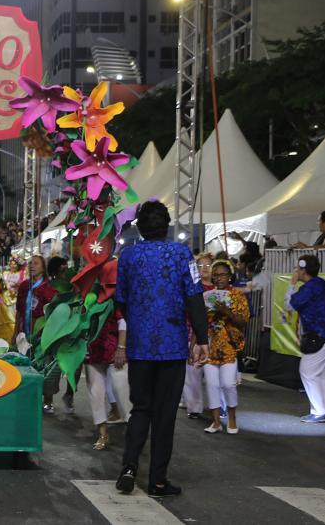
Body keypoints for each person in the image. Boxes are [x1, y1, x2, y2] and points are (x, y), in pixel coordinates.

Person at [114, 201, 209, 497]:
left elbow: (120, 299)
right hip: (172, 347)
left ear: (139, 227)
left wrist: (139, 323)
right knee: (165, 415)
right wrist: (201, 338)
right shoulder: (182, 254)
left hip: (141, 347)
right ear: (166, 225)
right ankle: (157, 481)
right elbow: (194, 296)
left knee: (140, 409)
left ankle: (129, 467)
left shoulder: (127, 255)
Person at [285, 254, 325, 423]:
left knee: (307, 371)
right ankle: (320, 411)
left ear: (303, 270)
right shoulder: (323, 284)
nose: (295, 271)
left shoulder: (309, 288)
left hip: (322, 334)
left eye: (297, 268)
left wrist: (292, 284)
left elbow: (290, 304)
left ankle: (318, 411)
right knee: (322, 373)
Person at [201, 260, 249, 434]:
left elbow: (243, 321)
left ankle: (232, 418)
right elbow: (201, 324)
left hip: (229, 347)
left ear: (230, 277)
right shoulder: (207, 295)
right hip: (210, 346)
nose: (218, 278)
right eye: (216, 275)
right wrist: (195, 346)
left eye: (222, 274)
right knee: (212, 385)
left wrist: (225, 311)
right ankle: (215, 422)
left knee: (228, 384)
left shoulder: (237, 296)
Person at [13, 256, 58, 413]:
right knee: (26, 364)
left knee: (45, 366)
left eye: (36, 263)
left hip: (43, 334)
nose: (32, 266)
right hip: (25, 332)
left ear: (43, 267)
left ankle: (48, 400)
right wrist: (15, 331)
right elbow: (19, 310)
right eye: (30, 263)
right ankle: (28, 397)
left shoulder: (49, 287)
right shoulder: (24, 286)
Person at [84, 305, 131, 450]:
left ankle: (134, 432)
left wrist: (121, 348)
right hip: (92, 351)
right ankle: (103, 434)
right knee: (95, 393)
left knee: (123, 392)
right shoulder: (82, 298)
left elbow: (123, 322)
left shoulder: (113, 297)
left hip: (115, 350)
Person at [183, 253, 215, 419]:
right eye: (200, 265)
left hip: (215, 335)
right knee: (193, 372)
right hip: (192, 333)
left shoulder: (218, 289)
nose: (204, 268)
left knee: (213, 375)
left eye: (208, 265)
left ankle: (218, 406)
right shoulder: (191, 288)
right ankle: (194, 406)